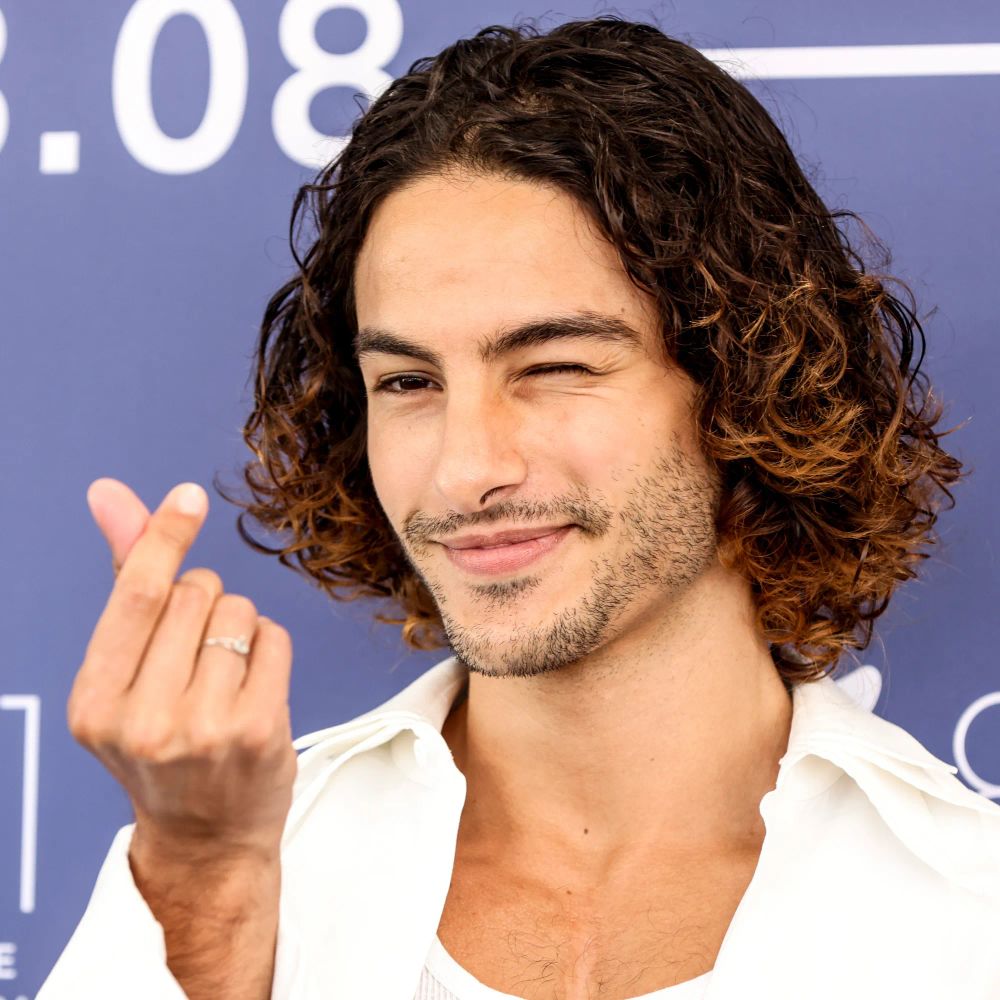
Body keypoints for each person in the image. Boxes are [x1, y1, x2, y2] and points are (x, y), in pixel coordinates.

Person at [38, 15, 1000, 1000]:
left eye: (552, 367)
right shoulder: (216, 873)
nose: (465, 469)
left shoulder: (970, 910)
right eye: (408, 383)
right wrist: (210, 916)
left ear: (749, 382)